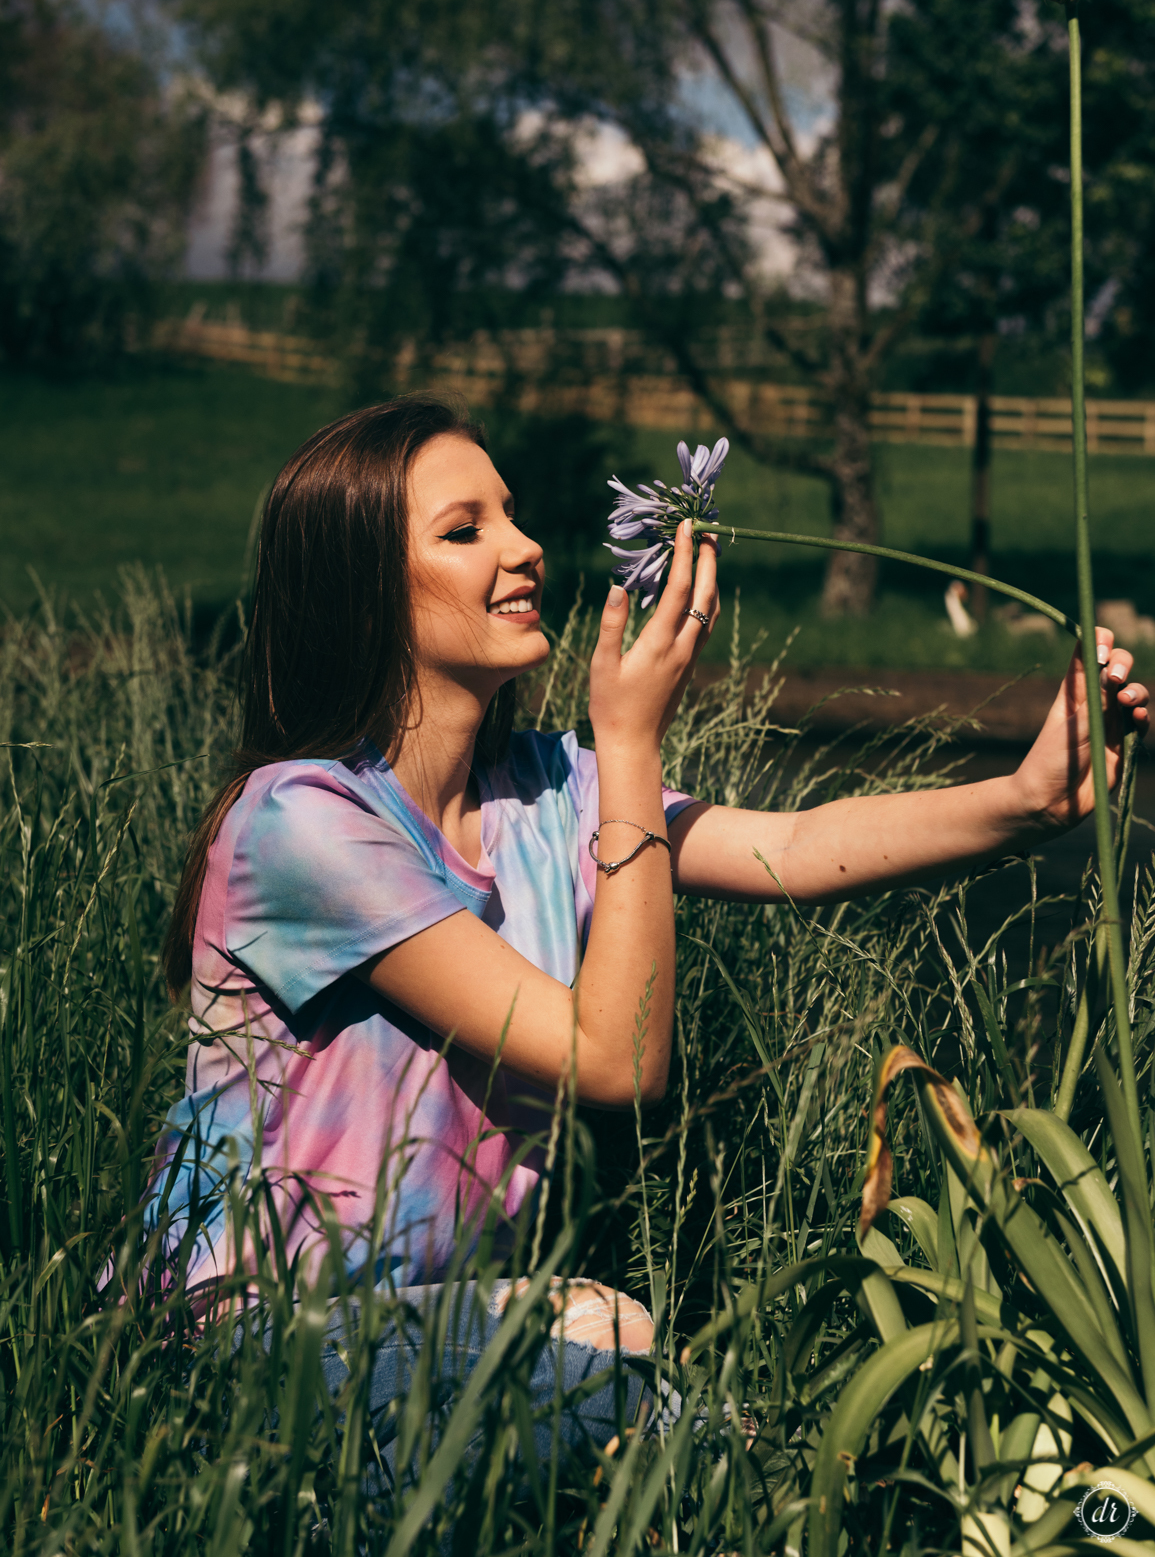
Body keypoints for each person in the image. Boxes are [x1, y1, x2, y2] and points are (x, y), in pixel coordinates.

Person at [150, 395, 1147, 1472]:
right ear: (364, 595)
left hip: (429, 1307)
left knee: (620, 1330)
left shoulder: (541, 790)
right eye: (465, 528)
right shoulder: (301, 821)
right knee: (682, 1437)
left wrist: (1026, 797)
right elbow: (616, 1060)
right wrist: (628, 742)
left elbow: (800, 847)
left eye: (514, 514)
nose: (526, 546)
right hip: (243, 1339)